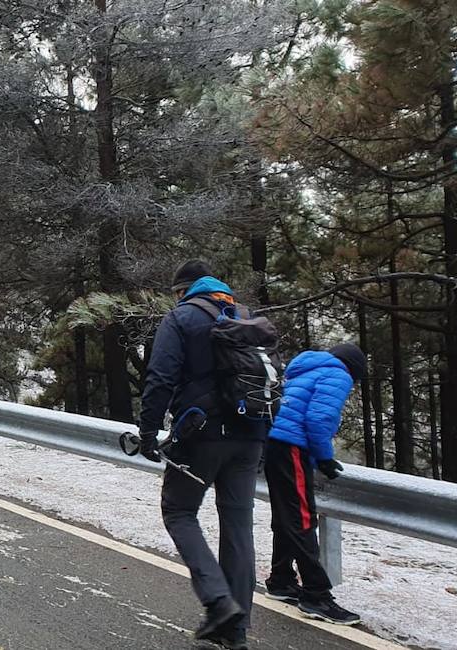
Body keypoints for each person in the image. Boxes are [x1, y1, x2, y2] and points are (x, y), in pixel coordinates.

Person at [137, 260, 269, 650]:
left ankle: (217, 602)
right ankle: (236, 632)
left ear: (184, 290)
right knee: (238, 526)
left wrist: (148, 431)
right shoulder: (245, 317)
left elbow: (160, 377)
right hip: (252, 436)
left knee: (178, 511)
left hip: (203, 434)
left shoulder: (182, 319)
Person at [263, 343, 366, 625]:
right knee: (303, 519)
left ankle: (281, 580)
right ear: (354, 369)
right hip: (294, 448)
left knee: (286, 516)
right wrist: (324, 458)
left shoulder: (305, 368)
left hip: (273, 444)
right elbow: (319, 418)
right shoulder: (339, 374)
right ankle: (316, 596)